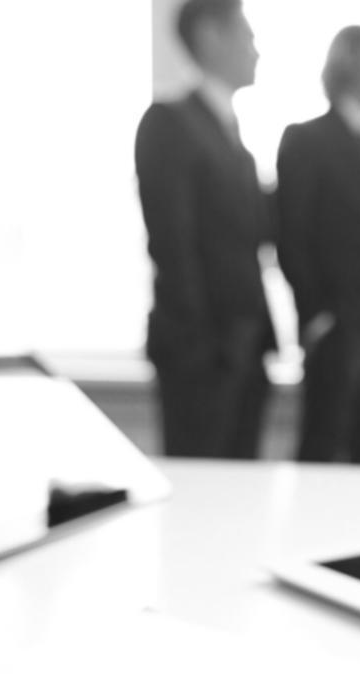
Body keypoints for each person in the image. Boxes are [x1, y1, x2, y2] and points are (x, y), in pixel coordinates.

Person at [134, 0, 278, 459]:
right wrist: (202, 349)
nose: (256, 50)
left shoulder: (234, 138)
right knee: (203, 498)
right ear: (211, 35)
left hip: (246, 351)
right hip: (202, 355)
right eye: (248, 35)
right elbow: (173, 247)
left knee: (241, 497)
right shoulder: (169, 124)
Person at [276, 26, 360, 465]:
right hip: (337, 328)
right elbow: (291, 233)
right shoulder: (306, 139)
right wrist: (317, 315)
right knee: (323, 449)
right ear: (352, 61)